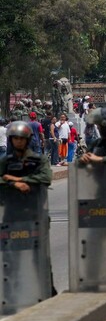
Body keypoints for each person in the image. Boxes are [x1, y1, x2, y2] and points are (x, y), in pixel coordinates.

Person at [0, 121, 55, 308]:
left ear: (28, 139)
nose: (18, 142)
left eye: (21, 139)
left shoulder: (39, 160)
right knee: (10, 257)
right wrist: (12, 184)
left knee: (39, 257)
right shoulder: (5, 162)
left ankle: (48, 292)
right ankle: (11, 294)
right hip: (11, 215)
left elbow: (46, 177)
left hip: (35, 213)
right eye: (15, 138)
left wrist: (19, 179)